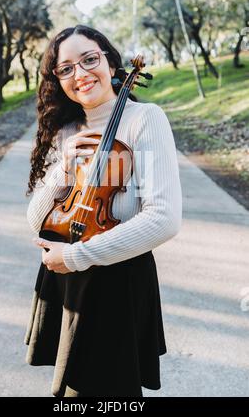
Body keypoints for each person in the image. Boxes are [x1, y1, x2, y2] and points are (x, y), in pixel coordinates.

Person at [24, 24, 182, 398]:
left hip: (115, 280)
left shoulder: (144, 120)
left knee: (110, 395)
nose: (79, 74)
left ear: (111, 64)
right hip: (66, 279)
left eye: (89, 59)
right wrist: (64, 165)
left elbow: (163, 218)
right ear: (58, 79)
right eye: (66, 68)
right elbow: (38, 220)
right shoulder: (66, 131)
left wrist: (78, 255)